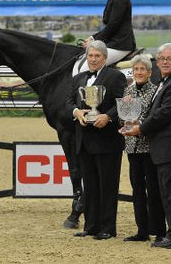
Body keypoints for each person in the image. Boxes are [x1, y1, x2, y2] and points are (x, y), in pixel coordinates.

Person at [123, 43, 171, 249]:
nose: (165, 62)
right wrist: (136, 123)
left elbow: (164, 113)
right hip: (163, 148)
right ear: (157, 62)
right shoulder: (164, 81)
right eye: (161, 59)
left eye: (169, 59)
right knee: (168, 194)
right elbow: (155, 113)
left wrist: (140, 129)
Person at [68, 40, 127, 240]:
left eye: (97, 56)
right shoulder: (78, 79)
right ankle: (90, 226)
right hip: (84, 140)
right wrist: (76, 112)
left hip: (107, 140)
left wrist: (108, 116)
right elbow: (68, 102)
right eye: (90, 56)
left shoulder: (115, 76)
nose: (93, 59)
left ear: (104, 58)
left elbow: (122, 103)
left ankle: (108, 228)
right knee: (90, 186)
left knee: (107, 186)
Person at [121, 55, 166, 243]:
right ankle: (142, 230)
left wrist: (138, 124)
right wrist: (125, 121)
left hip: (149, 147)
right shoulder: (128, 90)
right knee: (137, 189)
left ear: (149, 72)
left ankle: (159, 230)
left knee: (154, 190)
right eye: (136, 69)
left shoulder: (155, 91)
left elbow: (153, 118)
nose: (138, 73)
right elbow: (123, 118)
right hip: (132, 148)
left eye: (142, 70)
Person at [73, 0, 136, 75]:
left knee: (85, 68)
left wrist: (93, 40)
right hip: (114, 43)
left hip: (120, 45)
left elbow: (112, 26)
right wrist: (92, 38)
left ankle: (94, 93)